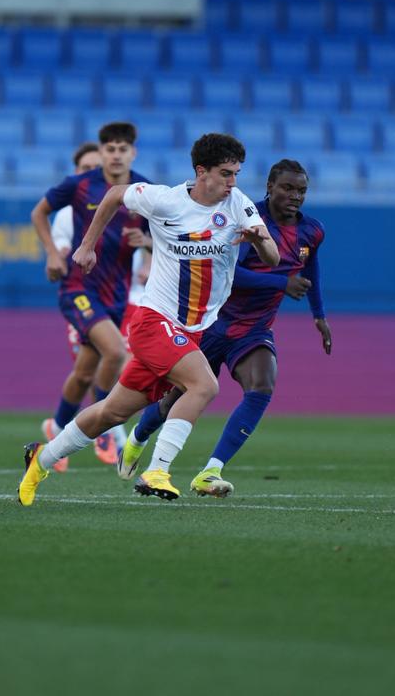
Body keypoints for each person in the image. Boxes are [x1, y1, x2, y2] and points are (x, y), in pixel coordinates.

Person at [18, 133, 279, 506]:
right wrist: (87, 245)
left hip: (191, 332)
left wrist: (258, 241)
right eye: (225, 173)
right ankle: (157, 469)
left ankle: (40, 460)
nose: (233, 182)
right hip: (153, 321)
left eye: (236, 173)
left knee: (112, 412)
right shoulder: (164, 199)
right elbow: (112, 196)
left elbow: (270, 256)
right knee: (204, 386)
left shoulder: (237, 205)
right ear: (201, 172)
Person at [119, 159, 331, 498]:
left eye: (301, 190)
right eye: (287, 188)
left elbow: (311, 268)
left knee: (262, 386)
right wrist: (280, 283)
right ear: (270, 188)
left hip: (254, 329)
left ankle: (211, 470)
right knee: (174, 398)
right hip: (211, 322)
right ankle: (138, 438)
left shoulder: (312, 230)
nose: (295, 196)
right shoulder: (244, 218)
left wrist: (318, 315)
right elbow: (232, 277)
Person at [30, 123, 152, 469]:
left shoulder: (145, 190)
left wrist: (150, 248)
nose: (115, 155)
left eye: (122, 149)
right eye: (109, 149)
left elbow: (166, 233)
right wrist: (53, 254)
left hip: (117, 294)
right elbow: (39, 212)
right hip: (79, 288)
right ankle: (104, 429)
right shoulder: (81, 185)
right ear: (102, 152)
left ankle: (56, 427)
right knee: (114, 352)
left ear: (133, 153)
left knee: (85, 372)